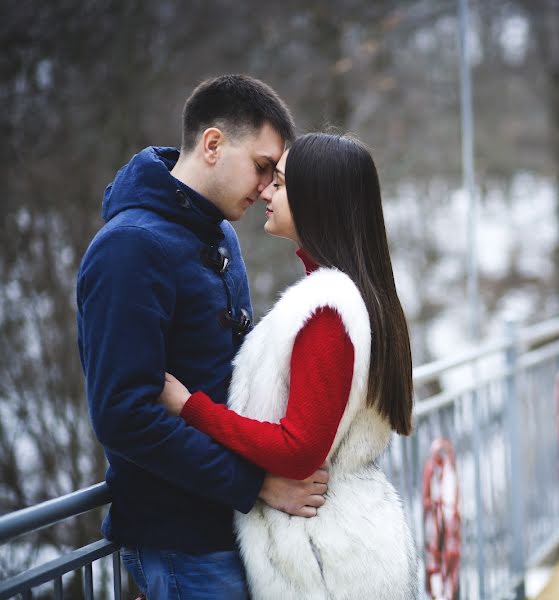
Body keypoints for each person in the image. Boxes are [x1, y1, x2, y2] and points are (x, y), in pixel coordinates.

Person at [76, 74, 330, 600]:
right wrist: (256, 484)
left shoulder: (219, 233)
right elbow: (124, 415)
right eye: (262, 167)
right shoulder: (128, 249)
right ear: (213, 144)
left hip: (230, 529)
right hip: (180, 542)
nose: (266, 187)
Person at [158, 132, 419, 599]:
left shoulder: (327, 307)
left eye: (278, 184)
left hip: (324, 563)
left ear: (316, 199)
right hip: (345, 545)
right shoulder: (357, 294)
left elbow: (300, 450)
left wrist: (190, 407)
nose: (265, 192)